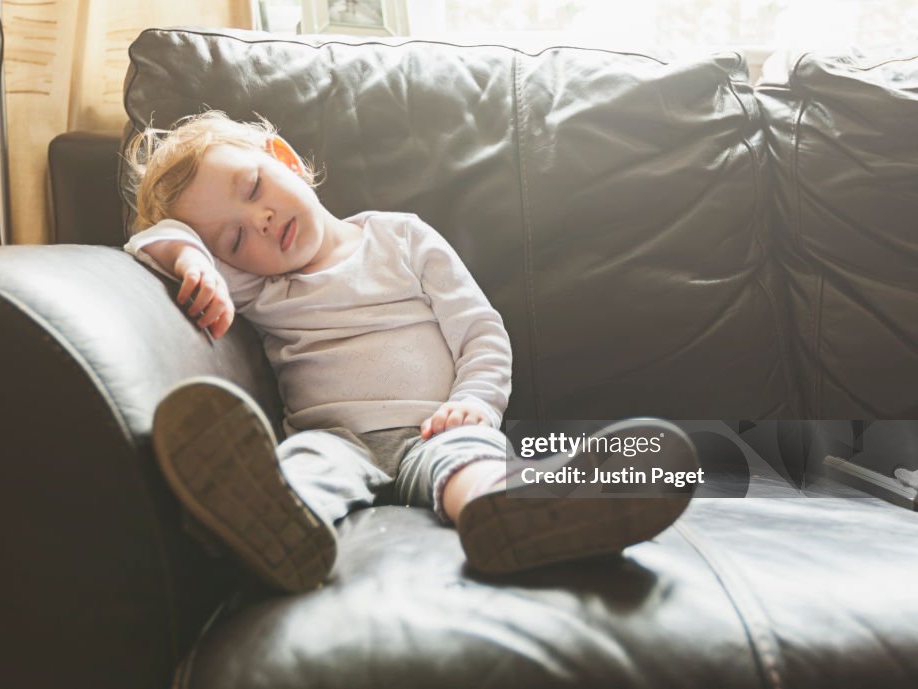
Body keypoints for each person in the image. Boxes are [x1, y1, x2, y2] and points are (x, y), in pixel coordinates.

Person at [123, 110, 699, 593]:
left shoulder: (400, 237)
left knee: (470, 461)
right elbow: (143, 242)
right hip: (336, 439)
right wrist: (191, 260)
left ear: (286, 158)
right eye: (233, 238)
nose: (259, 220)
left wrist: (476, 402)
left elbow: (480, 331)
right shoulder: (256, 284)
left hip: (437, 428)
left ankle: (517, 514)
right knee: (304, 470)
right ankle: (271, 532)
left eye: (253, 189)